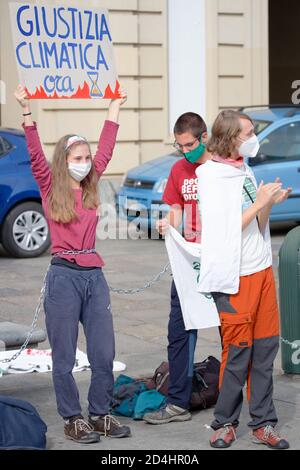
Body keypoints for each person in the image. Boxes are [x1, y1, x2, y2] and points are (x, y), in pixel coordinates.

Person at [14, 84, 131, 444]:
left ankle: (99, 413)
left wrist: (114, 106)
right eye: (77, 157)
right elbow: (34, 153)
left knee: (103, 352)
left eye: (86, 157)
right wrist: (26, 110)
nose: (84, 163)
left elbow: (108, 148)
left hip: (94, 276)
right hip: (63, 276)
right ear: (64, 160)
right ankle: (72, 417)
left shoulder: (92, 183)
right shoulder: (50, 186)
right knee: (63, 355)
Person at [196, 110, 291, 450]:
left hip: (260, 270)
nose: (254, 138)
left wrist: (268, 203)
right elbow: (222, 231)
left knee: (265, 351)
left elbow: (255, 224)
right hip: (234, 279)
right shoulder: (209, 175)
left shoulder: (245, 170)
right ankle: (224, 423)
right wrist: (259, 203)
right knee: (237, 353)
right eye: (248, 132)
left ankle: (264, 424)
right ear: (229, 138)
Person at [144, 112, 211, 424]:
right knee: (180, 331)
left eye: (189, 144)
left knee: (232, 330)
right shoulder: (178, 169)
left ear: (204, 137)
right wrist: (167, 224)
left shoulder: (222, 167)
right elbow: (175, 207)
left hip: (221, 260)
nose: (185, 151)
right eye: (180, 145)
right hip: (189, 261)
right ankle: (178, 403)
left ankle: (239, 399)